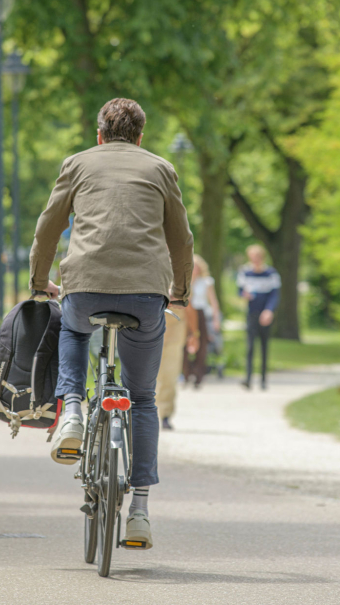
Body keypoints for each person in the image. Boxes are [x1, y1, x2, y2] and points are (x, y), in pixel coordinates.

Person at [28, 98, 194, 551]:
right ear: (141, 137)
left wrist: (39, 281)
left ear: (99, 134)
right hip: (146, 296)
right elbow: (181, 236)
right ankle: (139, 510)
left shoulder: (77, 163)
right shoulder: (161, 168)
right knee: (141, 398)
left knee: (73, 328)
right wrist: (181, 291)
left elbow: (48, 227)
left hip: (84, 286)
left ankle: (74, 413)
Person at [236, 245, 280, 390]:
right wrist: (244, 295)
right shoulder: (245, 272)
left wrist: (269, 311)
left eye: (257, 257)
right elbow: (240, 290)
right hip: (251, 313)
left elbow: (274, 295)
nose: (255, 260)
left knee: (264, 347)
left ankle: (263, 380)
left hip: (265, 314)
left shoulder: (271, 273)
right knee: (250, 347)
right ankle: (248, 379)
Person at [156, 299, 197, 430]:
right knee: (158, 375)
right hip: (151, 328)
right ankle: (154, 413)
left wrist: (194, 333)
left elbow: (189, 305)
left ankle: (164, 415)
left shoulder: (181, 279)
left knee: (169, 375)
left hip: (173, 333)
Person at [183, 255, 221, 389]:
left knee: (202, 346)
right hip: (186, 313)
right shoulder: (184, 281)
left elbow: (213, 301)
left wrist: (216, 319)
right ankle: (186, 374)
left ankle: (199, 376)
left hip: (201, 313)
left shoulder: (206, 282)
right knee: (184, 344)